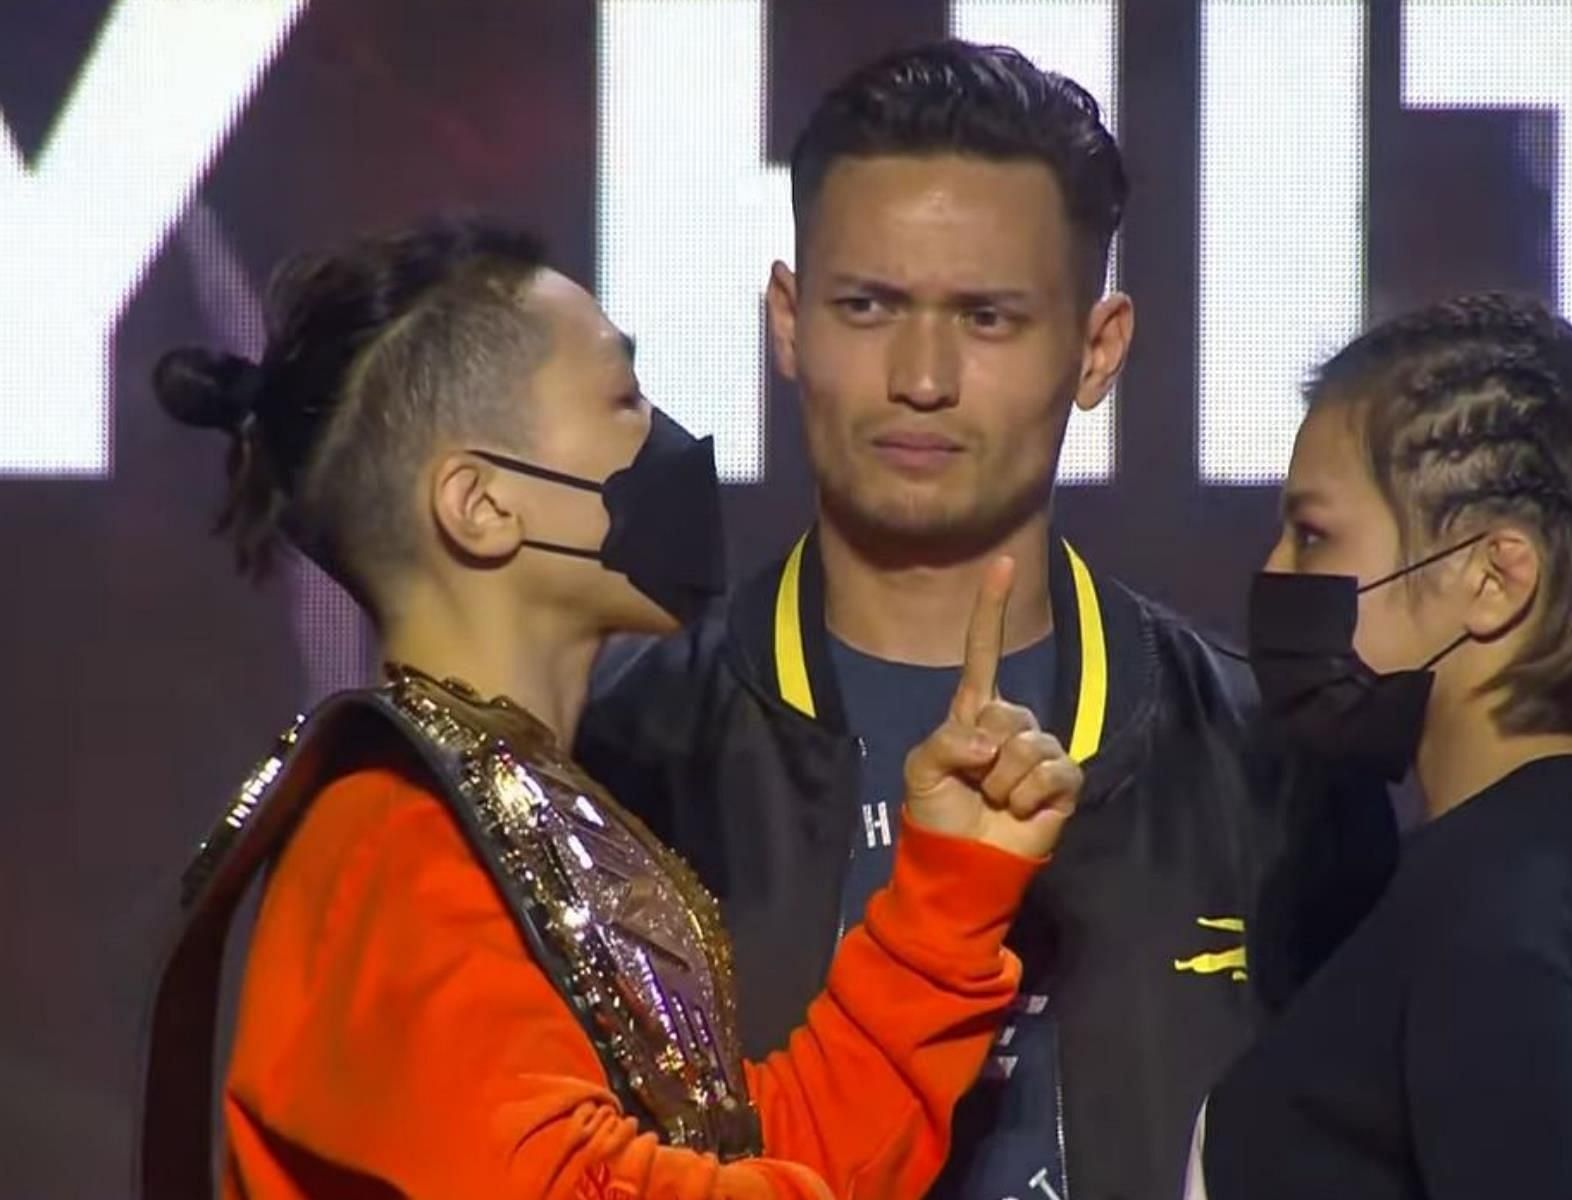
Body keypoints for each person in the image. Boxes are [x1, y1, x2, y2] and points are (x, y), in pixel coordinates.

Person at [137, 216, 1085, 1200]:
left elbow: (756, 1159)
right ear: (483, 504)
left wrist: (947, 898)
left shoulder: (514, 814)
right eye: (623, 399)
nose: (667, 438)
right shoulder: (394, 846)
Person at [576, 40, 1353, 1200]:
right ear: (789, 322)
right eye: (868, 306)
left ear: (1098, 350)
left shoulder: (1266, 765)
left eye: (988, 318)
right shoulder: (626, 764)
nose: (923, 377)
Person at [1190, 293, 1572, 1199]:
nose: (1275, 574)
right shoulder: (1538, 872)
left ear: (1492, 579)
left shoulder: (1514, 915)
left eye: (1314, 534)